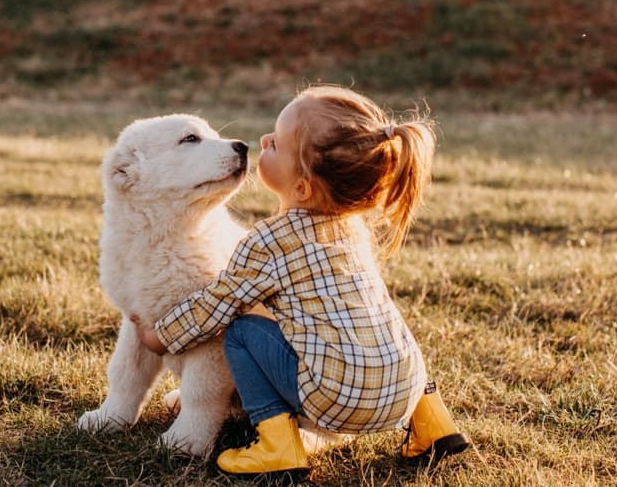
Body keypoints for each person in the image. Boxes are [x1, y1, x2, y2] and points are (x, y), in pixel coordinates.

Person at [130, 85, 469, 481]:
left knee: (238, 331)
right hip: (405, 393)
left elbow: (215, 305)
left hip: (335, 406)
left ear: (303, 187)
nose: (263, 142)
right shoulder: (353, 229)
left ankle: (277, 443)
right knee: (379, 321)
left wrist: (161, 338)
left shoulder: (267, 243)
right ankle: (435, 425)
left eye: (275, 145)